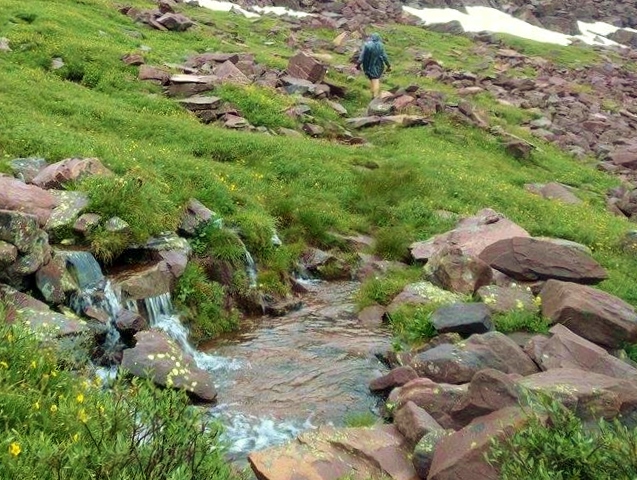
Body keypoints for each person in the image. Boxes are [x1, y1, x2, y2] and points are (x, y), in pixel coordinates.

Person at [355, 33, 391, 98]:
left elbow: (362, 56)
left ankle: (374, 96)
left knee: (373, 78)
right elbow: (385, 56)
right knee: (375, 78)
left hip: (367, 65)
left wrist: (358, 64)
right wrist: (388, 65)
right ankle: (374, 95)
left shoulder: (366, 45)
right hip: (378, 65)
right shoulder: (381, 46)